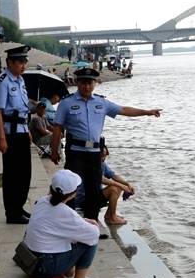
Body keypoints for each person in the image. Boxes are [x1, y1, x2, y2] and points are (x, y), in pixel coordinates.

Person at [50, 67, 161, 221]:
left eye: (90, 83)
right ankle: (70, 222)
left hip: (94, 154)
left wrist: (147, 112)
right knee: (71, 187)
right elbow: (57, 128)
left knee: (93, 190)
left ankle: (92, 224)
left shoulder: (102, 103)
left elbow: (124, 110)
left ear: (95, 83)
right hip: (75, 153)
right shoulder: (66, 103)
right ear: (77, 82)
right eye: (83, 83)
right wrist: (54, 150)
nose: (87, 86)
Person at [23, 170, 102, 278]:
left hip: (30, 260)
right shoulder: (65, 213)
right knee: (90, 240)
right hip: (45, 267)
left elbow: (62, 222)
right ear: (72, 195)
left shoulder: (43, 201)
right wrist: (92, 224)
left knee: (73, 234)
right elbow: (93, 234)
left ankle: (69, 277)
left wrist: (82, 221)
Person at [0, 45, 32, 224]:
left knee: (25, 174)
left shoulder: (20, 80)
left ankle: (19, 206)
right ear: (9, 62)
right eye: (20, 62)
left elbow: (23, 111)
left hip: (22, 132)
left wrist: (28, 131)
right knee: (12, 175)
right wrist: (2, 138)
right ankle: (12, 212)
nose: (23, 65)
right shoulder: (2, 82)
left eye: (25, 62)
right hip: (10, 135)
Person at [75, 145, 135, 225]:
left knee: (118, 186)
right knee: (114, 188)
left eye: (105, 155)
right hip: (84, 202)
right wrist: (121, 186)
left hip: (93, 198)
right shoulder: (90, 164)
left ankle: (109, 215)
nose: (104, 158)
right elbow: (101, 179)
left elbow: (114, 176)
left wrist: (127, 184)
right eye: (102, 155)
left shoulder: (102, 164)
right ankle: (112, 218)